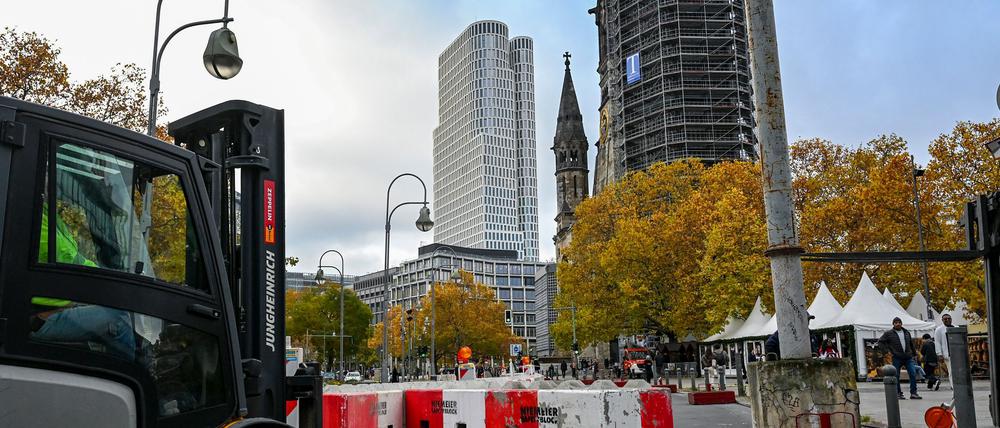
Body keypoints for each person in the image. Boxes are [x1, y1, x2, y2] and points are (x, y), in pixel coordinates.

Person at [878, 317, 921, 399]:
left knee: (912, 374)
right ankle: (898, 393)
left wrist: (914, 354)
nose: (897, 324)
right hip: (897, 357)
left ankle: (914, 393)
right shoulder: (889, 333)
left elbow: (911, 344)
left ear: (901, 323)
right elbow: (880, 342)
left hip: (908, 357)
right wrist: (887, 351)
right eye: (896, 322)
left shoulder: (906, 332)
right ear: (893, 324)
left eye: (899, 322)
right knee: (896, 375)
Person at [933, 313, 954, 390]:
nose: (947, 320)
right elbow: (937, 342)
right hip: (947, 353)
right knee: (951, 371)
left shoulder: (956, 327)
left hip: (957, 353)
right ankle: (953, 386)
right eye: (945, 319)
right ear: (942, 320)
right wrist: (939, 354)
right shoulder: (939, 329)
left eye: (949, 318)